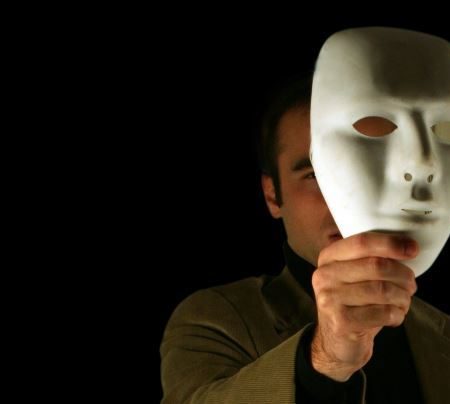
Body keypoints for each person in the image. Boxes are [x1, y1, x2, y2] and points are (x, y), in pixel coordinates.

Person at [160, 28, 450, 403]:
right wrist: (323, 359)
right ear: (272, 194)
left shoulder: (443, 334)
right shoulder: (216, 320)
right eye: (313, 175)